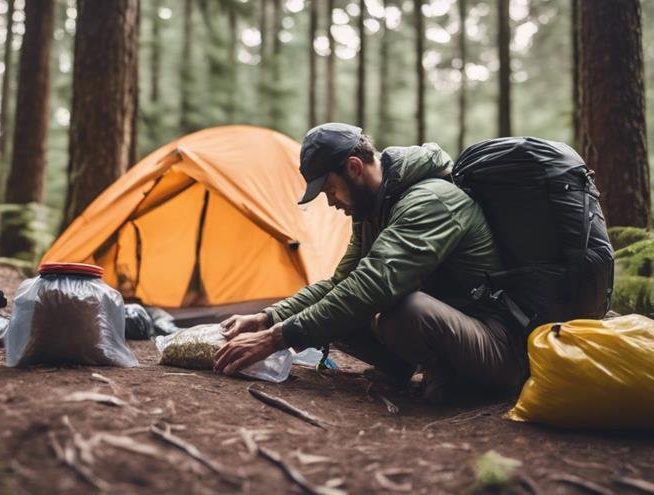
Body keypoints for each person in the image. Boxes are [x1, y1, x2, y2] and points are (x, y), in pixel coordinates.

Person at [213, 123, 528, 399]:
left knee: (406, 311)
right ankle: (409, 371)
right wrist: (267, 318)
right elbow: (340, 283)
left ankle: (460, 382)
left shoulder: (431, 199)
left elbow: (372, 286)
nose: (332, 202)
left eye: (330, 190)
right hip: (457, 330)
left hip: (500, 347)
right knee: (335, 311)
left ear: (353, 168)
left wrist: (275, 339)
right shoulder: (373, 211)